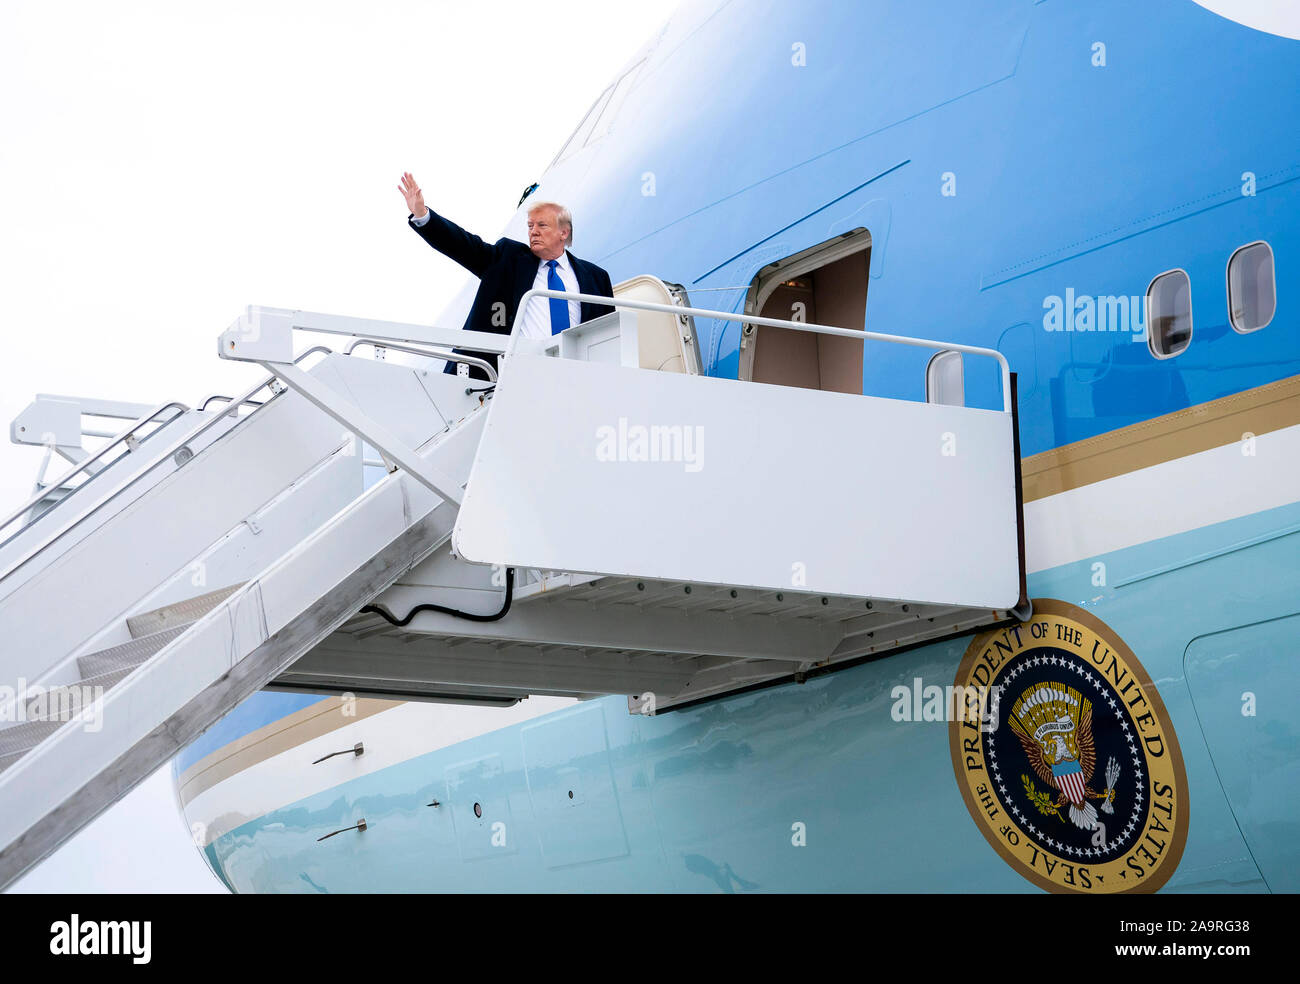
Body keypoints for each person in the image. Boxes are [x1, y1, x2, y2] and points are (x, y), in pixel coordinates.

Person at [399, 172, 614, 380]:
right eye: (530, 226)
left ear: (563, 232)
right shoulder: (507, 259)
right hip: (511, 378)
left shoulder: (596, 278)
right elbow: (463, 245)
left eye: (542, 225)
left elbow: (610, 336)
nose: (533, 231)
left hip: (575, 380)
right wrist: (423, 215)